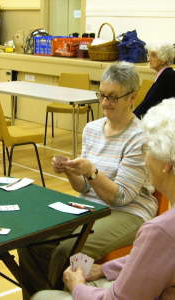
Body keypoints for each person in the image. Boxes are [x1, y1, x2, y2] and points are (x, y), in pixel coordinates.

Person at [18, 62, 158, 299]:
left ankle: (54, 295)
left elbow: (120, 196)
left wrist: (92, 172)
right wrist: (72, 171)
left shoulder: (140, 137)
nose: (105, 103)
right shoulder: (92, 129)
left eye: (113, 97)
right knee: (29, 242)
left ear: (132, 97)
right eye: (102, 95)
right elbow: (84, 187)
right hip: (91, 206)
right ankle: (40, 295)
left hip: (129, 213)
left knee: (69, 249)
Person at [32, 98, 175, 300]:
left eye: (149, 151)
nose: (145, 160)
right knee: (38, 240)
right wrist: (105, 269)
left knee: (44, 295)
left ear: (166, 164)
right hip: (95, 208)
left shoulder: (160, 230)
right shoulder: (93, 128)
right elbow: (151, 258)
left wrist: (78, 287)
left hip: (123, 212)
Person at [134, 43, 175, 118]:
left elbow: (148, 103)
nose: (148, 59)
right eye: (148, 55)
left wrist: (131, 118)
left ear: (164, 59)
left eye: (153, 55)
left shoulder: (167, 76)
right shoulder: (165, 74)